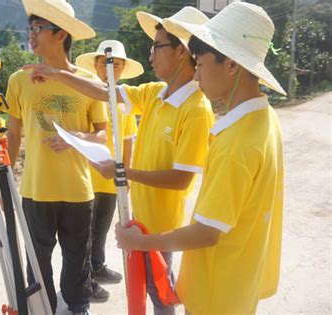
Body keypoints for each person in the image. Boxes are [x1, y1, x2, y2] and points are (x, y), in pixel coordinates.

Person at [23, 7, 214, 314]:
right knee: (144, 288)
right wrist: (60, 74)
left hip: (163, 226)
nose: (151, 55)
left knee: (161, 293)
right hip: (141, 217)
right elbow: (105, 92)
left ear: (182, 52)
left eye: (158, 46)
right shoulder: (155, 93)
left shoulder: (196, 109)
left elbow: (182, 179)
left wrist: (124, 172)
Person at [116, 2, 286, 314]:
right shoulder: (265, 119)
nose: (197, 72)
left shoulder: (236, 144)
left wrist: (139, 243)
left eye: (201, 62)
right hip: (239, 284)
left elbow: (206, 233)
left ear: (232, 65)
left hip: (214, 294)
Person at [5, 1, 108, 314]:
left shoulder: (87, 81)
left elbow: (103, 135)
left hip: (78, 190)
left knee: (78, 259)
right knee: (37, 262)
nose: (31, 36)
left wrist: (76, 138)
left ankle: (78, 306)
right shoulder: (19, 80)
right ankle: (43, 309)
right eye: (30, 29)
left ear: (61, 33)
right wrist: (5, 183)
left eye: (37, 29)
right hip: (36, 190)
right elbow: (12, 135)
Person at [75, 40, 143, 302]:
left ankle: (98, 266)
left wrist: (126, 175)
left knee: (101, 228)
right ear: (96, 65)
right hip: (88, 175)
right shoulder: (87, 94)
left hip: (112, 177)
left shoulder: (125, 99)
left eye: (117, 64)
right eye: (106, 63)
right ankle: (85, 280)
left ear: (124, 68)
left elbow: (127, 140)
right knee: (84, 232)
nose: (110, 68)